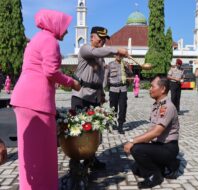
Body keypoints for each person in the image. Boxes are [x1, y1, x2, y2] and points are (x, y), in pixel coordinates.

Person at [10, 9, 81, 190]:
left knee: (30, 154)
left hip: (24, 99)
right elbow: (50, 72)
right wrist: (71, 82)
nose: (66, 31)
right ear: (55, 25)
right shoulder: (50, 41)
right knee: (43, 153)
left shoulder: (37, 39)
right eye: (64, 27)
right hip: (36, 102)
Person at [71, 26, 128, 169]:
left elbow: (100, 78)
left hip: (94, 98)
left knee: (95, 130)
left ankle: (91, 159)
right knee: (79, 131)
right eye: (100, 38)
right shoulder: (85, 49)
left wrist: (102, 94)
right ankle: (76, 163)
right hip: (81, 96)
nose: (103, 41)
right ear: (92, 37)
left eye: (104, 39)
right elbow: (96, 52)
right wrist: (117, 50)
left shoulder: (101, 59)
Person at [124, 75, 180, 189]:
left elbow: (156, 133)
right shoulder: (157, 105)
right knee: (136, 169)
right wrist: (140, 141)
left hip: (168, 148)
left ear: (163, 89)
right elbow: (150, 130)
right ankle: (171, 164)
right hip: (158, 146)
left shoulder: (167, 107)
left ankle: (155, 176)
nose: (149, 89)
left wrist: (132, 141)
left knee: (136, 149)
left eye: (152, 86)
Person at [103, 55, 133, 134]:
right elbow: (106, 76)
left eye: (121, 55)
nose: (119, 57)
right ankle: (113, 123)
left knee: (123, 107)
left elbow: (130, 74)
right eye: (117, 55)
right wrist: (102, 89)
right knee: (113, 108)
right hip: (113, 89)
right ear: (115, 55)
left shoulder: (126, 64)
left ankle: (120, 125)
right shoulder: (110, 64)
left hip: (123, 89)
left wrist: (127, 68)